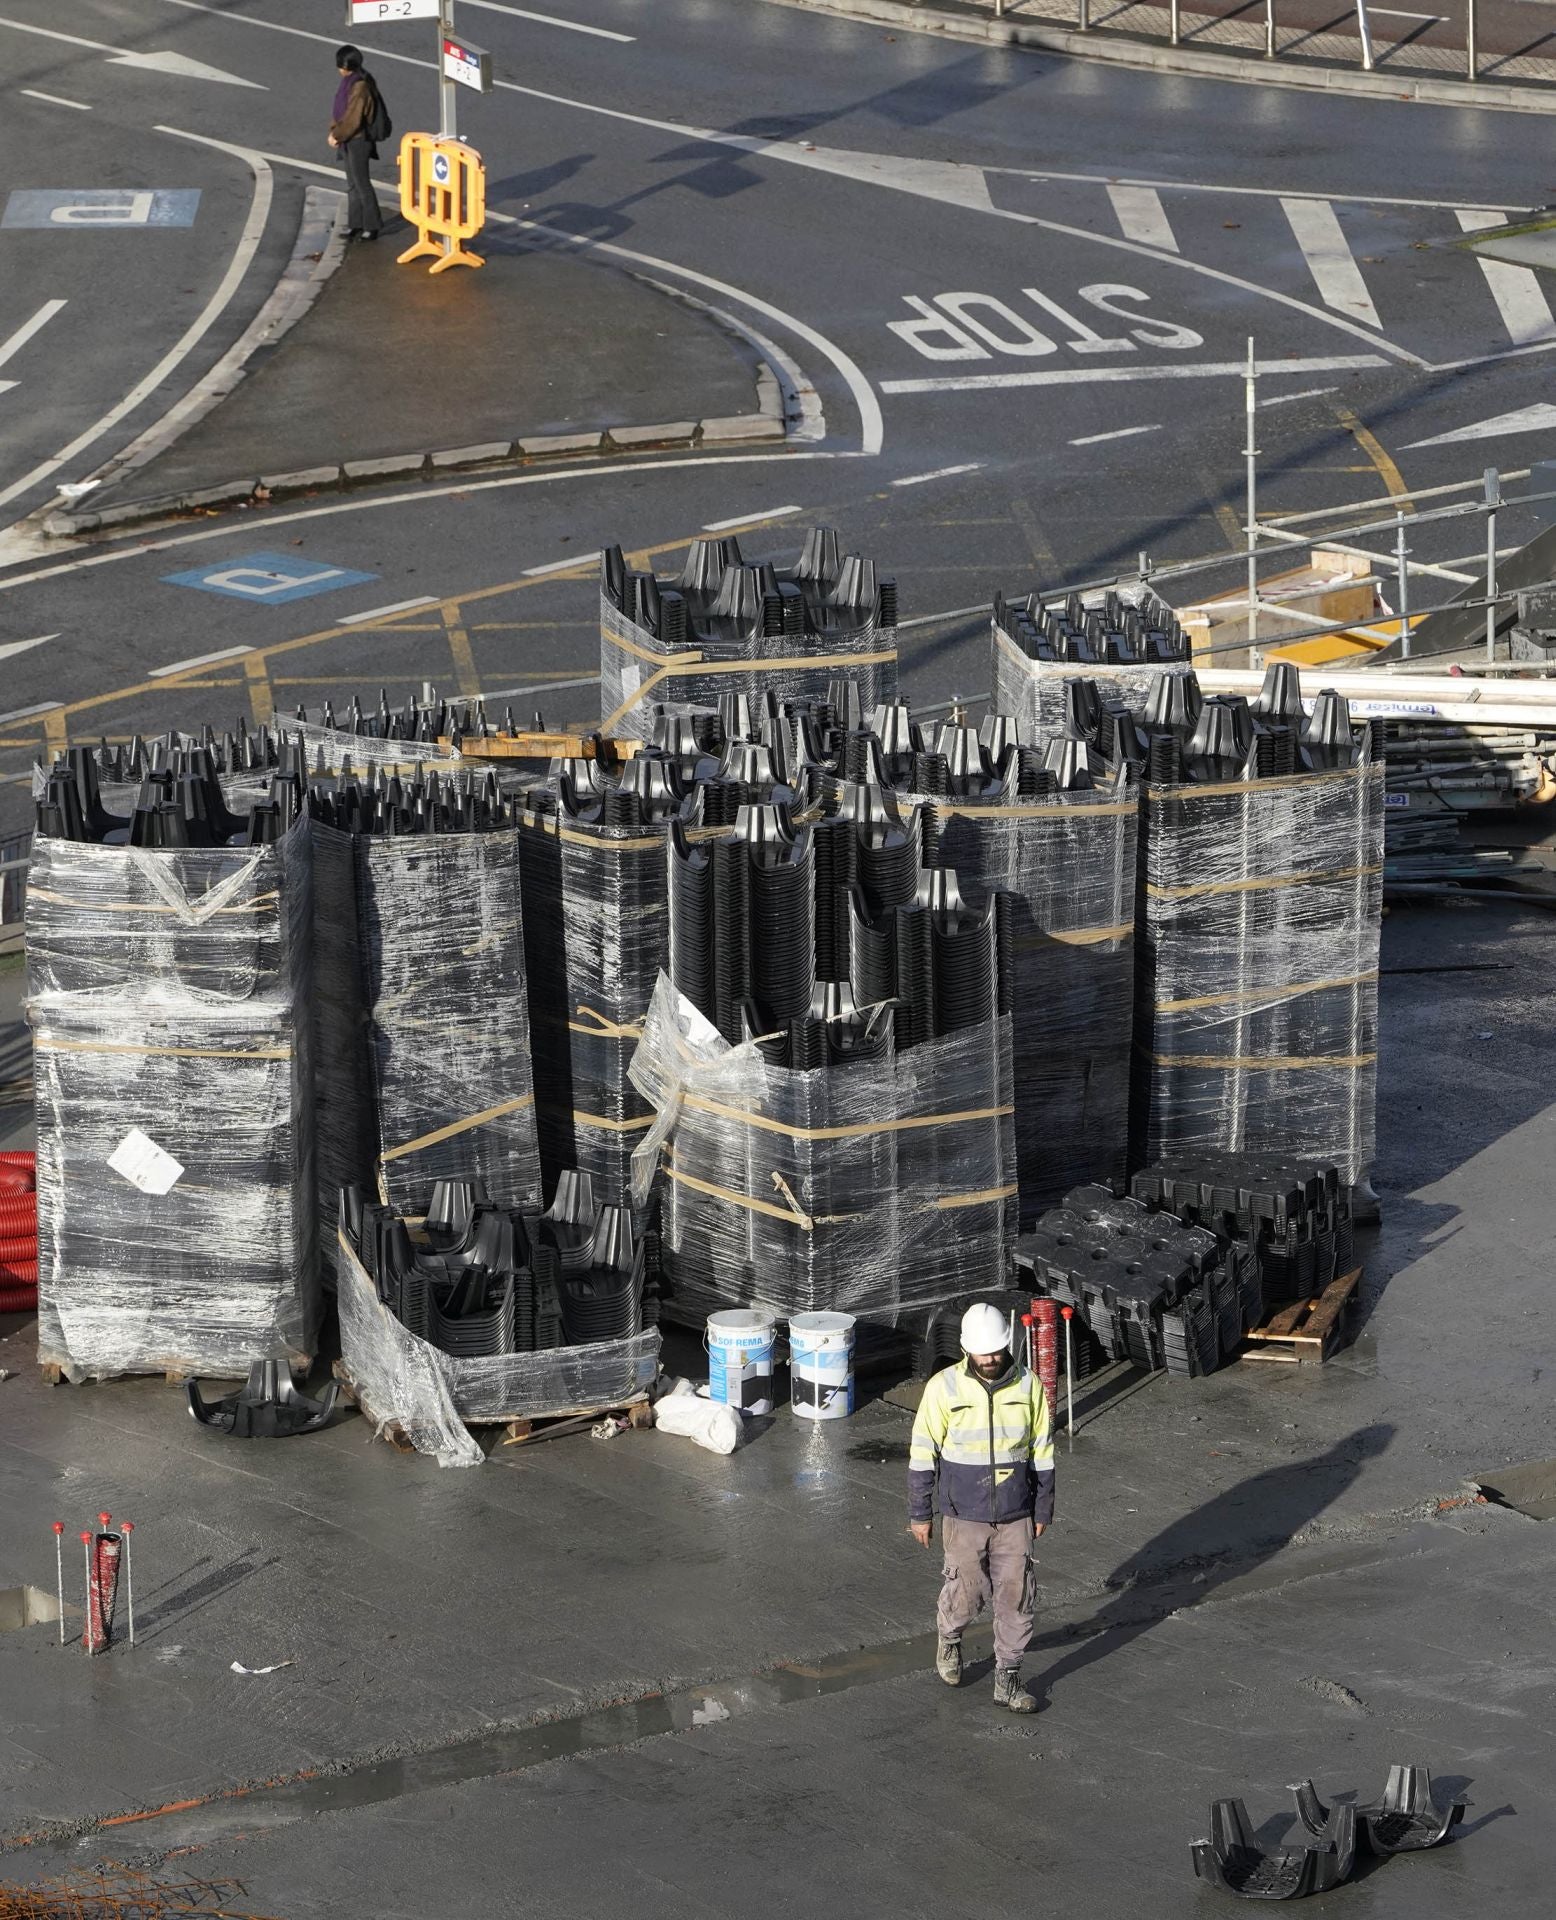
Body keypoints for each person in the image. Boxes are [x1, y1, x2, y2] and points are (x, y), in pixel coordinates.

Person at [908, 1302, 1054, 1713]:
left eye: (995, 1350)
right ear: (965, 1348)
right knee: (967, 1593)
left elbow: (1042, 1451)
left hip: (1015, 1514)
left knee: (1017, 1596)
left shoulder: (1029, 1386)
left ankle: (1008, 1678)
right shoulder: (943, 1387)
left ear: (1007, 1344)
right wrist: (920, 1514)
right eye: (981, 1352)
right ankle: (950, 1638)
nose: (989, 1359)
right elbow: (922, 1452)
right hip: (963, 1514)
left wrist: (1042, 1510)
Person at [328, 45, 384, 242]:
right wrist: (335, 132)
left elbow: (353, 118)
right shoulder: (350, 82)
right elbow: (341, 111)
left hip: (358, 141)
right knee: (352, 184)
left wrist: (337, 135)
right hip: (348, 139)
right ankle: (356, 224)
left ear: (345, 67)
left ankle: (372, 225)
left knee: (361, 184)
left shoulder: (359, 86)